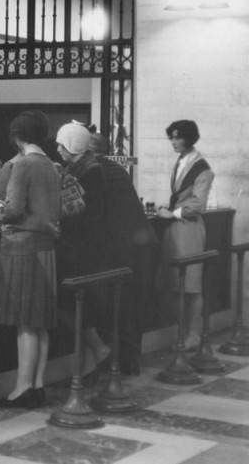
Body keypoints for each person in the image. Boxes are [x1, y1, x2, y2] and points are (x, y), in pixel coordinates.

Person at [0, 111, 60, 408]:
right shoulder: (52, 166)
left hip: (21, 246)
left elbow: (13, 210)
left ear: (17, 136)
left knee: (24, 322)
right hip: (46, 247)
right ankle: (38, 384)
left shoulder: (21, 165)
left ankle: (22, 388)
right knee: (39, 322)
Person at [87, 132, 159, 375]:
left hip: (123, 248)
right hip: (138, 244)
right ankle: (127, 362)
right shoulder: (116, 170)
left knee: (118, 305)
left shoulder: (98, 171)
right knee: (129, 306)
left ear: (88, 150)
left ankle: (119, 363)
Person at [55, 121, 114, 378]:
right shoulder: (86, 167)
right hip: (84, 246)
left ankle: (97, 350)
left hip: (79, 248)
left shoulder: (87, 172)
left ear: (71, 145)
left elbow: (82, 212)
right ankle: (91, 358)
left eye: (61, 144)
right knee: (78, 302)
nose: (57, 148)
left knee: (73, 302)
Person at [156, 119, 213, 350]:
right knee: (173, 284)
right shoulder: (181, 161)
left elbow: (198, 204)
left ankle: (193, 334)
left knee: (191, 285)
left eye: (178, 137)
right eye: (172, 137)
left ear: (189, 138)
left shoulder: (203, 168)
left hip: (189, 227)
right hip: (175, 227)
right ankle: (182, 333)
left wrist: (174, 213)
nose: (173, 142)